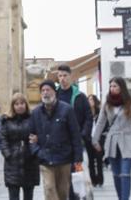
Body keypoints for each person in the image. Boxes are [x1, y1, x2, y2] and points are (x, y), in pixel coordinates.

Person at [91, 78, 131, 200]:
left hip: (127, 141)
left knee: (125, 173)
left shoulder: (130, 105)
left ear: (121, 88)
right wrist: (95, 140)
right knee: (116, 175)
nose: (112, 88)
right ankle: (120, 197)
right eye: (111, 86)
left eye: (115, 86)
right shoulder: (107, 104)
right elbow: (100, 123)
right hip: (112, 143)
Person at [28, 80, 82, 200]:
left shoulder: (67, 110)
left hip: (64, 159)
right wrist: (37, 151)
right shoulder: (36, 113)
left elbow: (75, 134)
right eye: (43, 91)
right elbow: (31, 136)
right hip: (45, 159)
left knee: (63, 192)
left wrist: (78, 158)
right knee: (49, 189)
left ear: (54, 92)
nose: (45, 93)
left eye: (48, 90)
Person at [53, 65, 91, 200]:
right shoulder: (54, 95)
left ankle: (78, 197)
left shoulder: (80, 96)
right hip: (59, 142)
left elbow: (88, 117)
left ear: (71, 76)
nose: (62, 79)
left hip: (75, 141)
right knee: (62, 177)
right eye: (60, 76)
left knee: (75, 175)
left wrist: (83, 134)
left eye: (65, 76)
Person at [1, 94, 39, 200]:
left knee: (28, 196)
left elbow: (37, 136)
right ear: (13, 106)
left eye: (22, 103)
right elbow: (3, 139)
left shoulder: (33, 119)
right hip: (12, 163)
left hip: (29, 162)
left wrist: (34, 152)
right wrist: (7, 154)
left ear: (26, 105)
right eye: (16, 104)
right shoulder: (6, 120)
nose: (20, 106)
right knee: (13, 196)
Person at [88, 97, 105, 188]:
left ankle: (100, 179)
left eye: (91, 99)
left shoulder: (100, 113)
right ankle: (93, 180)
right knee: (90, 161)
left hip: (99, 139)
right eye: (89, 99)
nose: (90, 101)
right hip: (89, 139)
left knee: (99, 160)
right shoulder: (87, 113)